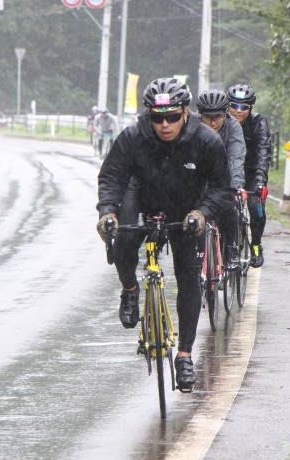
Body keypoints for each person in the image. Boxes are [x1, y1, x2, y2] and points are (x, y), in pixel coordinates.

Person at [96, 77, 231, 391]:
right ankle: (130, 289)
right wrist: (106, 212)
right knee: (124, 240)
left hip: (188, 208)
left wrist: (202, 213)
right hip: (141, 195)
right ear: (149, 116)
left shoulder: (207, 140)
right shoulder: (133, 136)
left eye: (172, 117)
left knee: (188, 277)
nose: (165, 125)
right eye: (158, 118)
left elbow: (221, 187)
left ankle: (184, 354)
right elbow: (112, 176)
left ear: (186, 112)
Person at [196, 89, 246, 265]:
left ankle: (230, 248)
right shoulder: (191, 125)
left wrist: (237, 186)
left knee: (229, 208)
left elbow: (237, 158)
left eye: (217, 117)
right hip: (200, 177)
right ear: (198, 114)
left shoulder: (233, 126)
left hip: (224, 177)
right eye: (207, 117)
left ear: (226, 114)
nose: (211, 122)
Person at [227, 84, 272, 268]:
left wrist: (260, 182)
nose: (238, 111)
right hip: (229, 171)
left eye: (244, 107)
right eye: (234, 106)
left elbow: (263, 153)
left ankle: (255, 244)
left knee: (256, 206)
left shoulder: (259, 123)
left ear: (250, 109)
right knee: (226, 207)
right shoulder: (222, 122)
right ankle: (229, 245)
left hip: (252, 172)